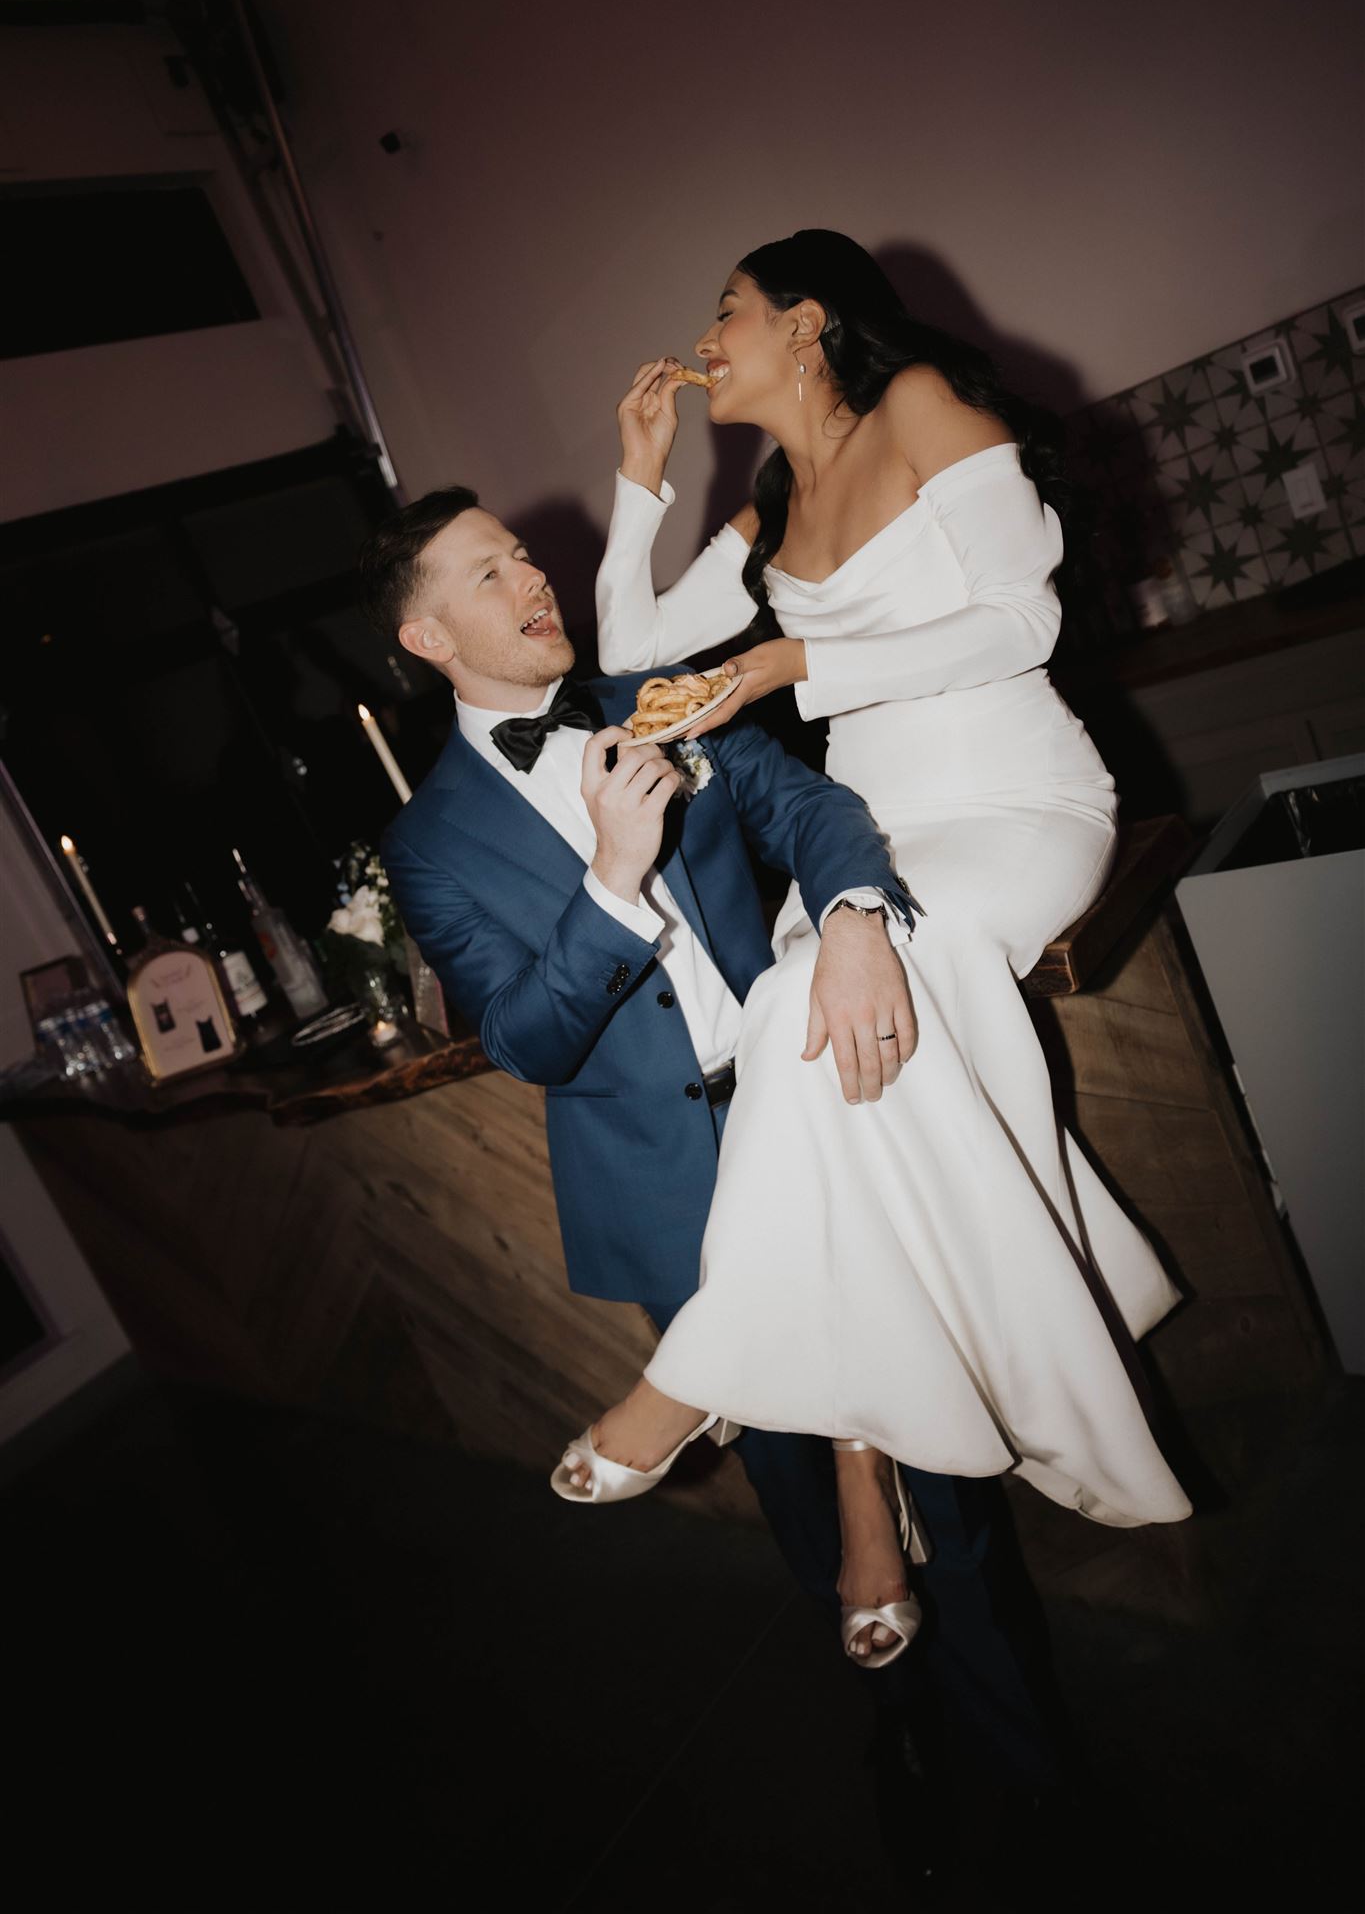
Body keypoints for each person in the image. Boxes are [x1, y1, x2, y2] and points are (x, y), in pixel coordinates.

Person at [358, 482, 1083, 1876]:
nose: (528, 581)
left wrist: (860, 917)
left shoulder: (655, 696)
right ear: (424, 635)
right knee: (804, 1497)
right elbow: (525, 1040)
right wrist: (613, 886)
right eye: (483, 573)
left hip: (822, 1113)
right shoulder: (430, 841)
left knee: (944, 1474)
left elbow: (810, 808)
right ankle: (903, 1726)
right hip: (664, 1186)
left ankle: (1028, 1762)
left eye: (519, 553)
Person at [568, 229, 1191, 1659]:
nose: (704, 336)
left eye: (723, 311)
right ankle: (862, 1474)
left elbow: (1019, 617)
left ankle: (710, 1382)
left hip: (1011, 798)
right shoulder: (768, 501)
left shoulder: (917, 406)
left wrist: (795, 662)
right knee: (805, 1023)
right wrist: (637, 479)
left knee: (861, 989)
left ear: (804, 323)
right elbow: (631, 660)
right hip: (866, 828)